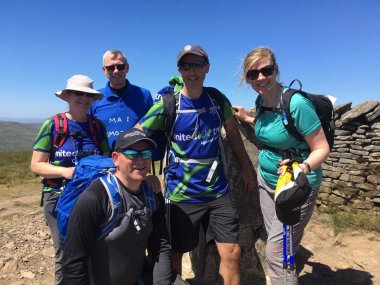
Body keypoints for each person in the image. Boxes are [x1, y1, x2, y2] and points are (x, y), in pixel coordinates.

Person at [137, 45, 256, 285]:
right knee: (175, 255)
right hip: (181, 195)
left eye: (198, 65)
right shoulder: (168, 104)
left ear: (207, 68)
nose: (192, 71)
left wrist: (245, 168)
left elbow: (233, 136)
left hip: (217, 192)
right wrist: (143, 172)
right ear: (179, 70)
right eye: (186, 66)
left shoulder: (216, 100)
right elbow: (138, 135)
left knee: (232, 253)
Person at [233, 46, 330, 285]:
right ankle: (288, 274)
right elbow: (275, 130)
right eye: (253, 74)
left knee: (276, 252)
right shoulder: (262, 100)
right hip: (267, 182)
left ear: (275, 70)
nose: (260, 78)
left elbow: (322, 148)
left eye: (266, 70)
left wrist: (302, 167)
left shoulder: (295, 103)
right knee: (281, 241)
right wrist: (247, 119)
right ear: (247, 79)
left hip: (296, 187)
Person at [61, 128, 172, 285]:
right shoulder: (95, 198)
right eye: (132, 154)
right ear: (115, 158)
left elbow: (160, 245)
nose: (140, 160)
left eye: (146, 154)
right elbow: (73, 262)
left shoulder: (152, 194)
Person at [31, 75, 110, 285]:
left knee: (94, 247)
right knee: (65, 251)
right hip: (58, 198)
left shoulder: (97, 127)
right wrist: (66, 172)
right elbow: (36, 165)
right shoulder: (53, 125)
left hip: (91, 197)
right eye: (79, 93)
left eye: (88, 95)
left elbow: (106, 160)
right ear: (67, 96)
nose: (84, 99)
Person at [89, 50, 153, 151]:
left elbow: (152, 125)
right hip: (105, 161)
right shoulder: (95, 98)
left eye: (120, 66)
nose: (116, 71)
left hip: (137, 159)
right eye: (110, 68)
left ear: (127, 68)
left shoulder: (144, 95)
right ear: (104, 70)